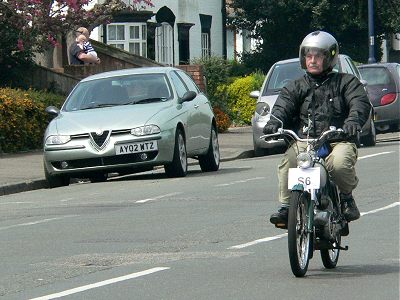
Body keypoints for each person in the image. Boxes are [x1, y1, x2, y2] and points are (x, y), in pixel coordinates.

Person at [263, 31, 371, 227]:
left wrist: (353, 121)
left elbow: (359, 103)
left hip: (339, 138)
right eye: (308, 55)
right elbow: (283, 106)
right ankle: (287, 207)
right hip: (305, 140)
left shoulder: (346, 82)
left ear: (330, 57)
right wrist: (275, 121)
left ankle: (346, 198)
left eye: (318, 56)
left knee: (338, 164)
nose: (312, 60)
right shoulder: (295, 86)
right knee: (289, 162)